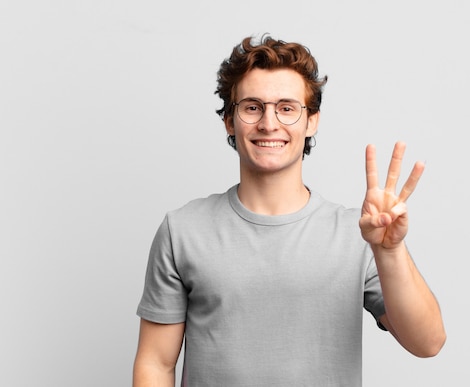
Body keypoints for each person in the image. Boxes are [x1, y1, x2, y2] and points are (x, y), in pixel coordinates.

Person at [133, 34, 446, 387]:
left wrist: (389, 250)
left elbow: (428, 342)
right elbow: (156, 364)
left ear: (311, 121)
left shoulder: (358, 234)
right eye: (252, 107)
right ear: (228, 121)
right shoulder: (183, 230)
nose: (269, 123)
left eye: (287, 108)